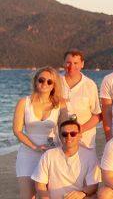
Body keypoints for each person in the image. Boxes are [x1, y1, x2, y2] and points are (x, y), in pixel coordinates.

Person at [14, 67, 68, 199]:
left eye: (50, 82)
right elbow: (17, 130)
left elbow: (64, 130)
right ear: (35, 82)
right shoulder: (24, 102)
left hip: (51, 153)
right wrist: (35, 147)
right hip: (27, 153)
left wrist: (67, 152)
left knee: (49, 195)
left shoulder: (60, 104)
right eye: (41, 80)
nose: (45, 84)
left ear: (54, 85)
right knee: (27, 196)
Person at [32, 120, 100, 199]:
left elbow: (93, 185)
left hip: (79, 197)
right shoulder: (48, 155)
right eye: (64, 134)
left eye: (73, 134)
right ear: (60, 136)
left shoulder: (90, 156)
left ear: (79, 135)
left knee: (94, 196)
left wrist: (82, 193)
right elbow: (40, 183)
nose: (69, 137)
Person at [59, 50, 102, 150]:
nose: (71, 66)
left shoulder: (90, 85)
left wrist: (81, 129)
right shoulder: (55, 82)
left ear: (82, 64)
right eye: (68, 62)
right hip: (60, 140)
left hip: (85, 141)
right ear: (64, 63)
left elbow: (97, 115)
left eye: (75, 63)